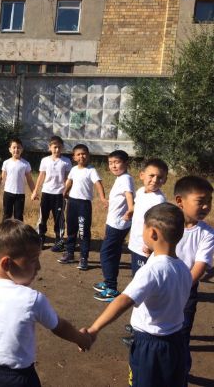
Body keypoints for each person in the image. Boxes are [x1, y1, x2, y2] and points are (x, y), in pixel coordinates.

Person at [0, 219, 91, 387]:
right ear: (7, 263)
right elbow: (60, 326)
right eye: (33, 260)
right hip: (18, 379)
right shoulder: (32, 299)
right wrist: (81, 339)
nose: (39, 267)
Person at [83, 203, 192, 387]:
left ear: (153, 233)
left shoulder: (151, 271)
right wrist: (153, 252)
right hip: (176, 343)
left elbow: (124, 300)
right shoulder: (183, 269)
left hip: (150, 346)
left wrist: (94, 329)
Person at [173, 176, 214, 381]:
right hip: (161, 287)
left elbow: (200, 266)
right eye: (200, 201)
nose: (206, 206)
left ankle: (181, 373)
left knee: (182, 332)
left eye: (209, 201)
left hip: (186, 290)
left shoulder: (207, 233)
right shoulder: (167, 223)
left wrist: (181, 287)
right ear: (180, 201)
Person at [93, 150, 135, 302]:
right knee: (113, 253)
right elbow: (121, 197)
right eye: (110, 163)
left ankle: (111, 288)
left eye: (117, 162)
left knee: (106, 254)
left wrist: (131, 209)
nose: (113, 166)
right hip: (115, 222)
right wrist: (111, 204)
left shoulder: (126, 179)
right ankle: (109, 282)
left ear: (125, 163)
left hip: (118, 225)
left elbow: (129, 195)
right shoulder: (121, 178)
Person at [58, 144, 107, 270]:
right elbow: (70, 181)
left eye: (84, 154)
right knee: (71, 230)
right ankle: (70, 253)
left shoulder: (91, 170)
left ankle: (84, 258)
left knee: (83, 232)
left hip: (84, 205)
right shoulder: (74, 169)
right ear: (74, 157)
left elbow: (98, 184)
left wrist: (102, 198)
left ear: (88, 155)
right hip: (72, 203)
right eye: (78, 154)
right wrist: (65, 192)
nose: (81, 156)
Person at [127, 158, 168, 275]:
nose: (155, 180)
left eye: (160, 177)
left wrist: (151, 246)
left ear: (165, 180)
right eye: (152, 175)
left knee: (143, 277)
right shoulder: (140, 191)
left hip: (146, 247)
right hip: (135, 242)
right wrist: (130, 211)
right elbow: (137, 205)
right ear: (142, 175)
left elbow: (159, 225)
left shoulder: (158, 200)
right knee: (136, 275)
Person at [31, 135, 72, 251]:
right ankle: (40, 239)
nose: (57, 150)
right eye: (54, 147)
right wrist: (35, 191)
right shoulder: (45, 160)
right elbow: (41, 176)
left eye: (59, 147)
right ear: (49, 147)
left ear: (62, 148)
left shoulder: (66, 161)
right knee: (42, 217)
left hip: (60, 194)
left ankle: (59, 240)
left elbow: (68, 178)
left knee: (59, 218)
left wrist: (67, 191)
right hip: (46, 193)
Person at [0, 138, 35, 223]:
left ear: (22, 149)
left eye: (18, 147)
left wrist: (34, 192)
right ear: (10, 149)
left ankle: (18, 232)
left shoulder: (25, 164)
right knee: (6, 215)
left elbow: (29, 179)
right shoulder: (6, 163)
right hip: (8, 193)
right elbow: (2, 178)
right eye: (14, 147)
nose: (16, 150)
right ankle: (5, 231)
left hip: (20, 194)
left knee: (18, 216)